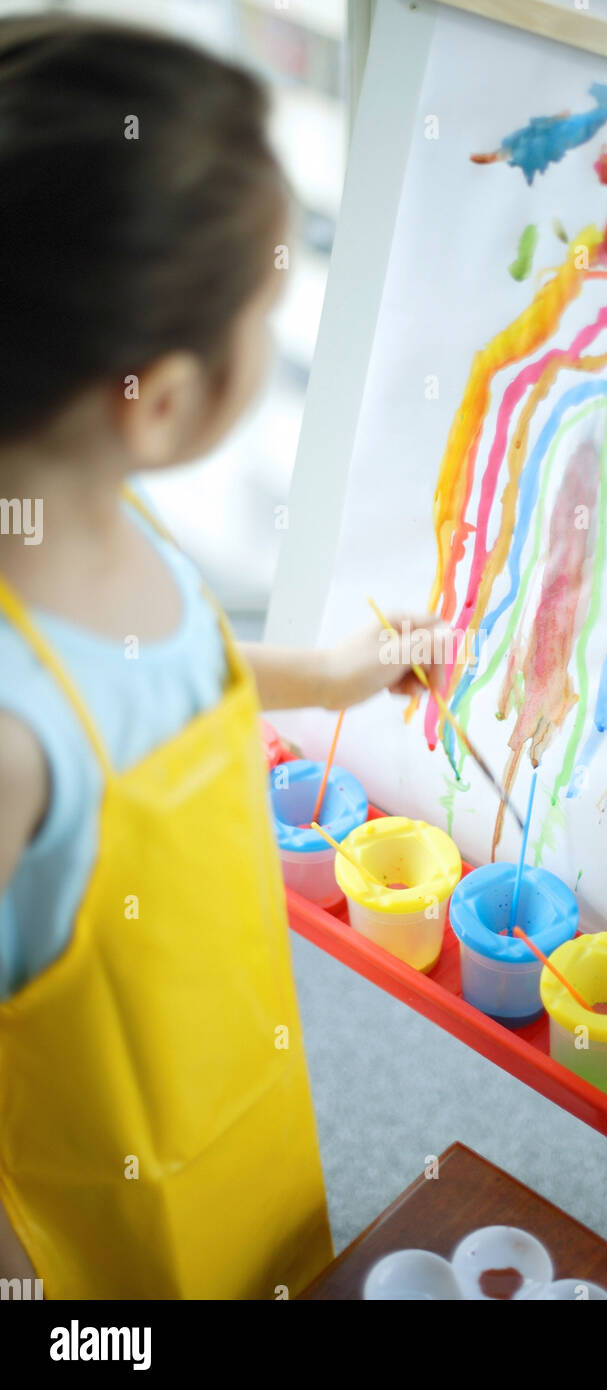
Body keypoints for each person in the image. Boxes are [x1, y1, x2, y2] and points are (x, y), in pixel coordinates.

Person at [0, 13, 442, 1298]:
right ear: (167, 398)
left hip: (227, 1071)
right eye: (270, 298)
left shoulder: (97, 515)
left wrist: (332, 672)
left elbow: (179, 673)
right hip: (94, 1225)